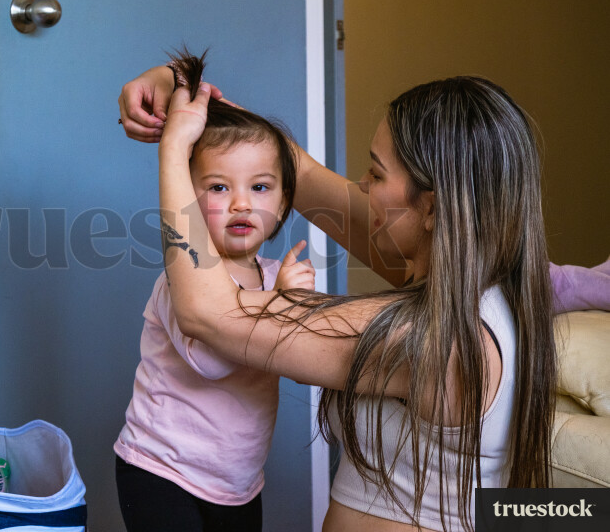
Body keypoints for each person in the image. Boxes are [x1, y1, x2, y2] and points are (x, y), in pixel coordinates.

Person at [119, 67, 557, 532]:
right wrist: (181, 88)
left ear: (430, 207)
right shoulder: (487, 289)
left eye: (376, 172)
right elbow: (288, 165)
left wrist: (172, 155)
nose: (362, 186)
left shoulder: (436, 339)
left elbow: (208, 313)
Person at [114, 51, 316, 532]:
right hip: (161, 469)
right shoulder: (182, 277)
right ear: (186, 193)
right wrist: (281, 303)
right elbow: (214, 356)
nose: (242, 202)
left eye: (262, 187)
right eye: (220, 188)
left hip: (237, 481)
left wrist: (294, 306)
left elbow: (298, 356)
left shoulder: (273, 273)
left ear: (286, 199)